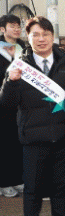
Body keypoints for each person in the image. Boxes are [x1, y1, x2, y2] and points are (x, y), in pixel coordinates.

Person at [0, 16, 65, 216]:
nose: (41, 39)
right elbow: (7, 104)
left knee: (60, 187)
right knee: (32, 190)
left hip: (62, 136)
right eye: (35, 34)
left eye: (45, 34)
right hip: (33, 139)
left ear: (52, 37)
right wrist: (11, 82)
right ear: (29, 37)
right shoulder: (19, 66)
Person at [0, 14, 25, 198]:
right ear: (2, 29)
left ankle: (17, 179)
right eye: (12, 26)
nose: (17, 29)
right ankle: (4, 182)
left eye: (18, 26)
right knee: (4, 143)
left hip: (20, 104)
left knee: (17, 142)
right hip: (2, 103)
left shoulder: (24, 49)